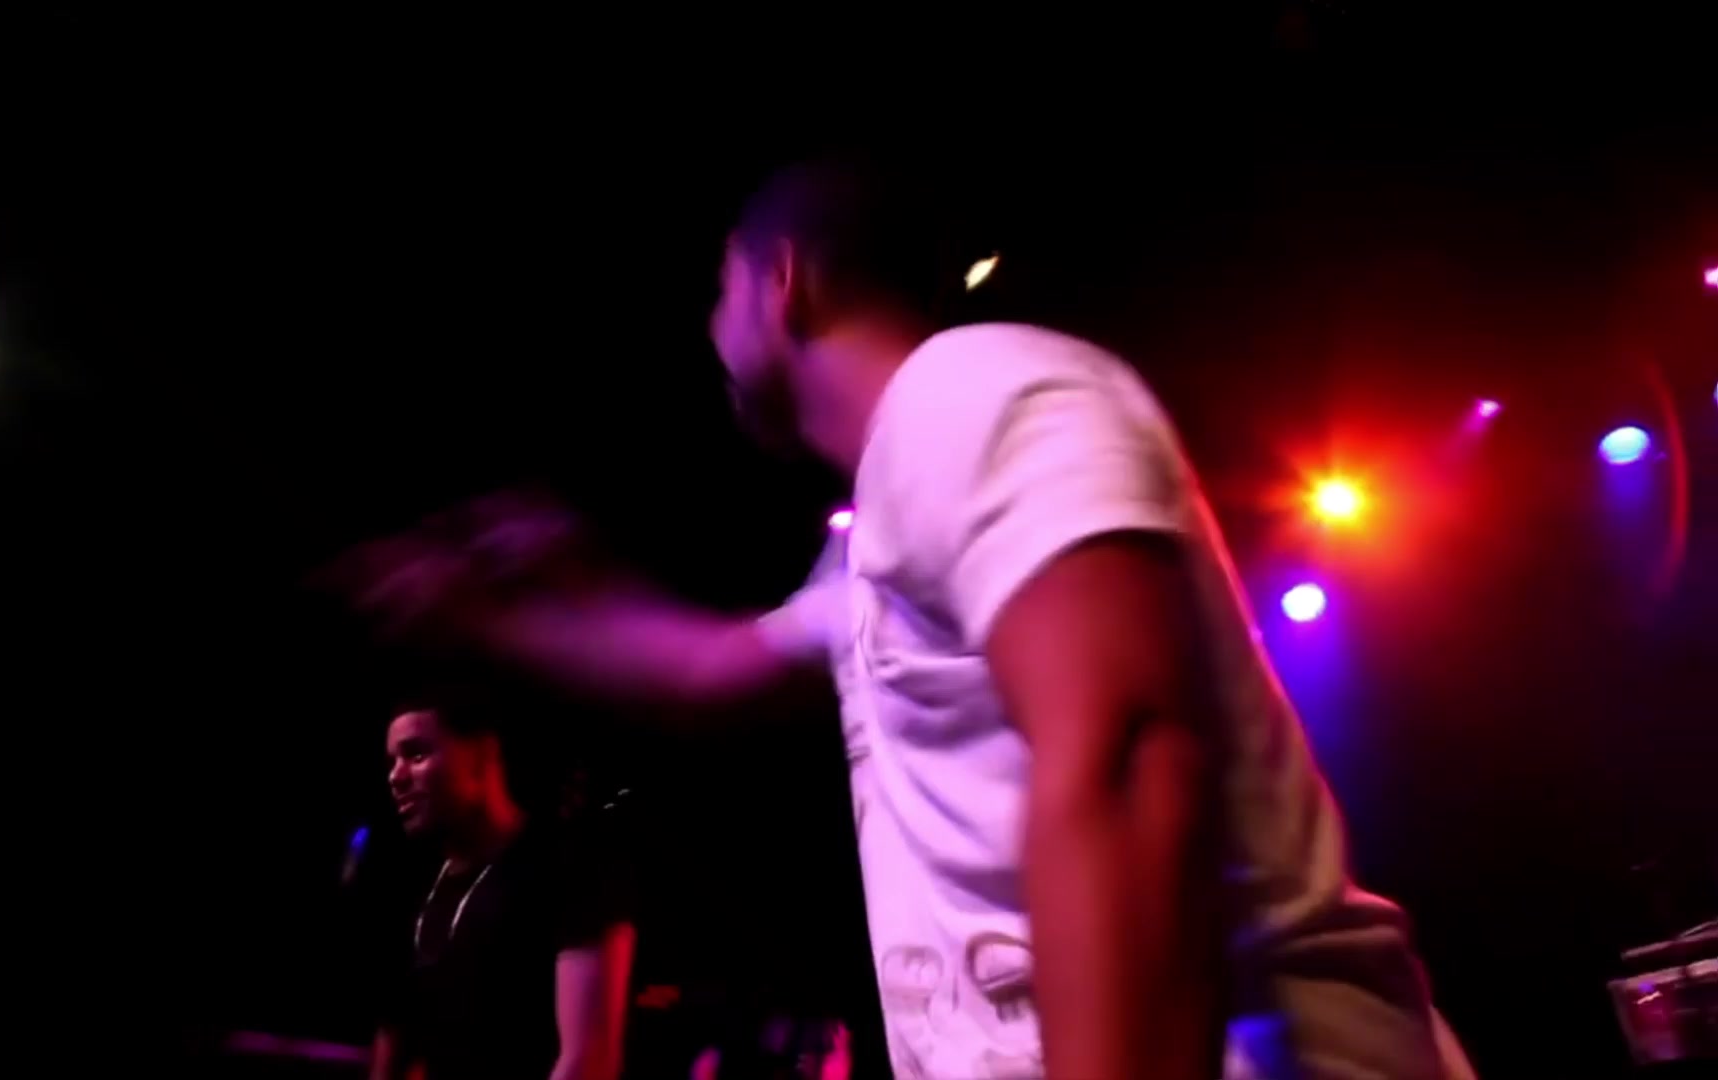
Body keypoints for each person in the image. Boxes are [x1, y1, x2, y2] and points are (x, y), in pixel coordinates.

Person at [345, 160, 1469, 1079]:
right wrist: (508, 612)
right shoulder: (879, 529)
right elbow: (712, 667)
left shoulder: (970, 392)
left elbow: (1130, 757)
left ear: (783, 282)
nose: (708, 325)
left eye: (718, 289)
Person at [372, 699, 635, 1080]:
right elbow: (396, 1037)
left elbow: (589, 1059)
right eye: (391, 761)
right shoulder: (414, 887)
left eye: (416, 755)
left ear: (482, 755)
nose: (395, 777)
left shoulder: (570, 868)